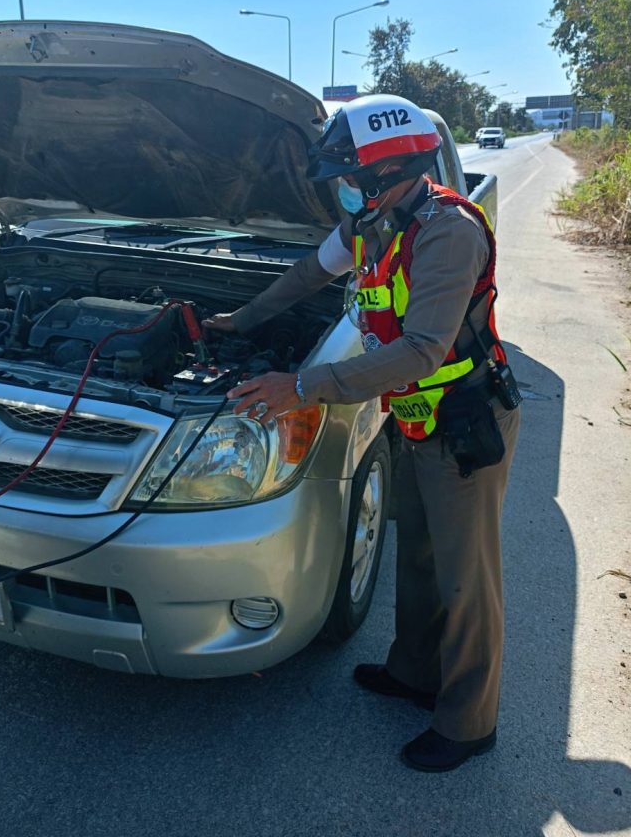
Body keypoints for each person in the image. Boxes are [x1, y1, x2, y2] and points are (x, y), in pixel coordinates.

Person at [204, 94, 521, 773]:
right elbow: (305, 276)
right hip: (416, 419)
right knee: (419, 557)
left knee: (468, 578)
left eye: (349, 178)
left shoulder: (446, 231)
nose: (339, 191)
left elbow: (421, 350)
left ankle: (469, 722)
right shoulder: (371, 227)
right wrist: (244, 320)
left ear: (386, 174)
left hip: (466, 419)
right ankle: (412, 672)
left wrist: (301, 386)